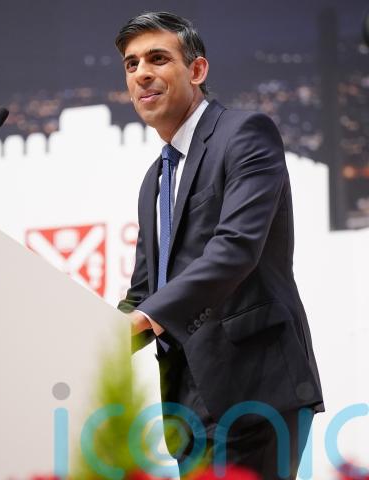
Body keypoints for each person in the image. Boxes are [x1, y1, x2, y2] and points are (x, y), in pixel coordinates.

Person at [115, 12, 324, 478]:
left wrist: (142, 319)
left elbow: (235, 248)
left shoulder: (245, 134)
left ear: (197, 70)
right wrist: (86, 337)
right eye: (131, 64)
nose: (142, 73)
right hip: (187, 408)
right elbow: (145, 291)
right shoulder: (155, 179)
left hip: (256, 388)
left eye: (157, 59)